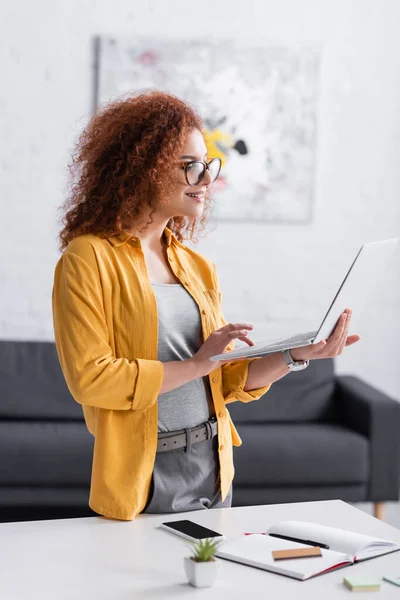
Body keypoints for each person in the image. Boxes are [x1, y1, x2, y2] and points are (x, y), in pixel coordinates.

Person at [52, 90, 361, 521]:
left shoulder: (197, 266)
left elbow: (226, 375)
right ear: (143, 167)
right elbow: (91, 378)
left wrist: (295, 354)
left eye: (208, 166)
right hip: (144, 472)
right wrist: (196, 365)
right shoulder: (88, 258)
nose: (205, 179)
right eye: (190, 166)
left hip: (213, 463)